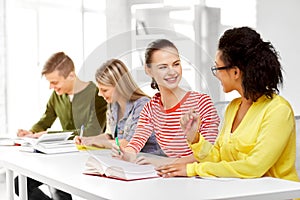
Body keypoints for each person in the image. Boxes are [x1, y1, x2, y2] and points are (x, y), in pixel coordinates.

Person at [156, 27, 300, 182]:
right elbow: (217, 158)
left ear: (235, 72)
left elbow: (254, 167)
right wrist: (195, 137)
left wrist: (193, 169)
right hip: (240, 192)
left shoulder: (278, 110)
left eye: (217, 68)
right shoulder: (233, 107)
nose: (216, 74)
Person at [15, 52, 107, 200]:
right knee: (20, 184)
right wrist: (31, 131)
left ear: (71, 75)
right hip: (59, 156)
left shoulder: (97, 94)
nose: (51, 87)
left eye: (55, 82)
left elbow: (91, 132)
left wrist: (48, 135)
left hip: (85, 157)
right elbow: (46, 119)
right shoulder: (58, 95)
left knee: (59, 190)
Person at [112, 39, 220, 165]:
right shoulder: (150, 109)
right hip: (171, 178)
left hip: (201, 178)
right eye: (163, 67)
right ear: (148, 70)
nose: (172, 71)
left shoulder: (202, 103)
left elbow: (209, 154)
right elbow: (136, 142)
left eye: (176, 64)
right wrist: (127, 154)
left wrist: (163, 162)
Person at [75, 58, 160, 153]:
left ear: (120, 86)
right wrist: (88, 140)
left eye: (104, 90)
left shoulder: (143, 105)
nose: (99, 94)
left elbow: (129, 144)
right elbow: (110, 136)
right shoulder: (113, 105)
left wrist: (99, 143)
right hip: (128, 161)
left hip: (150, 162)